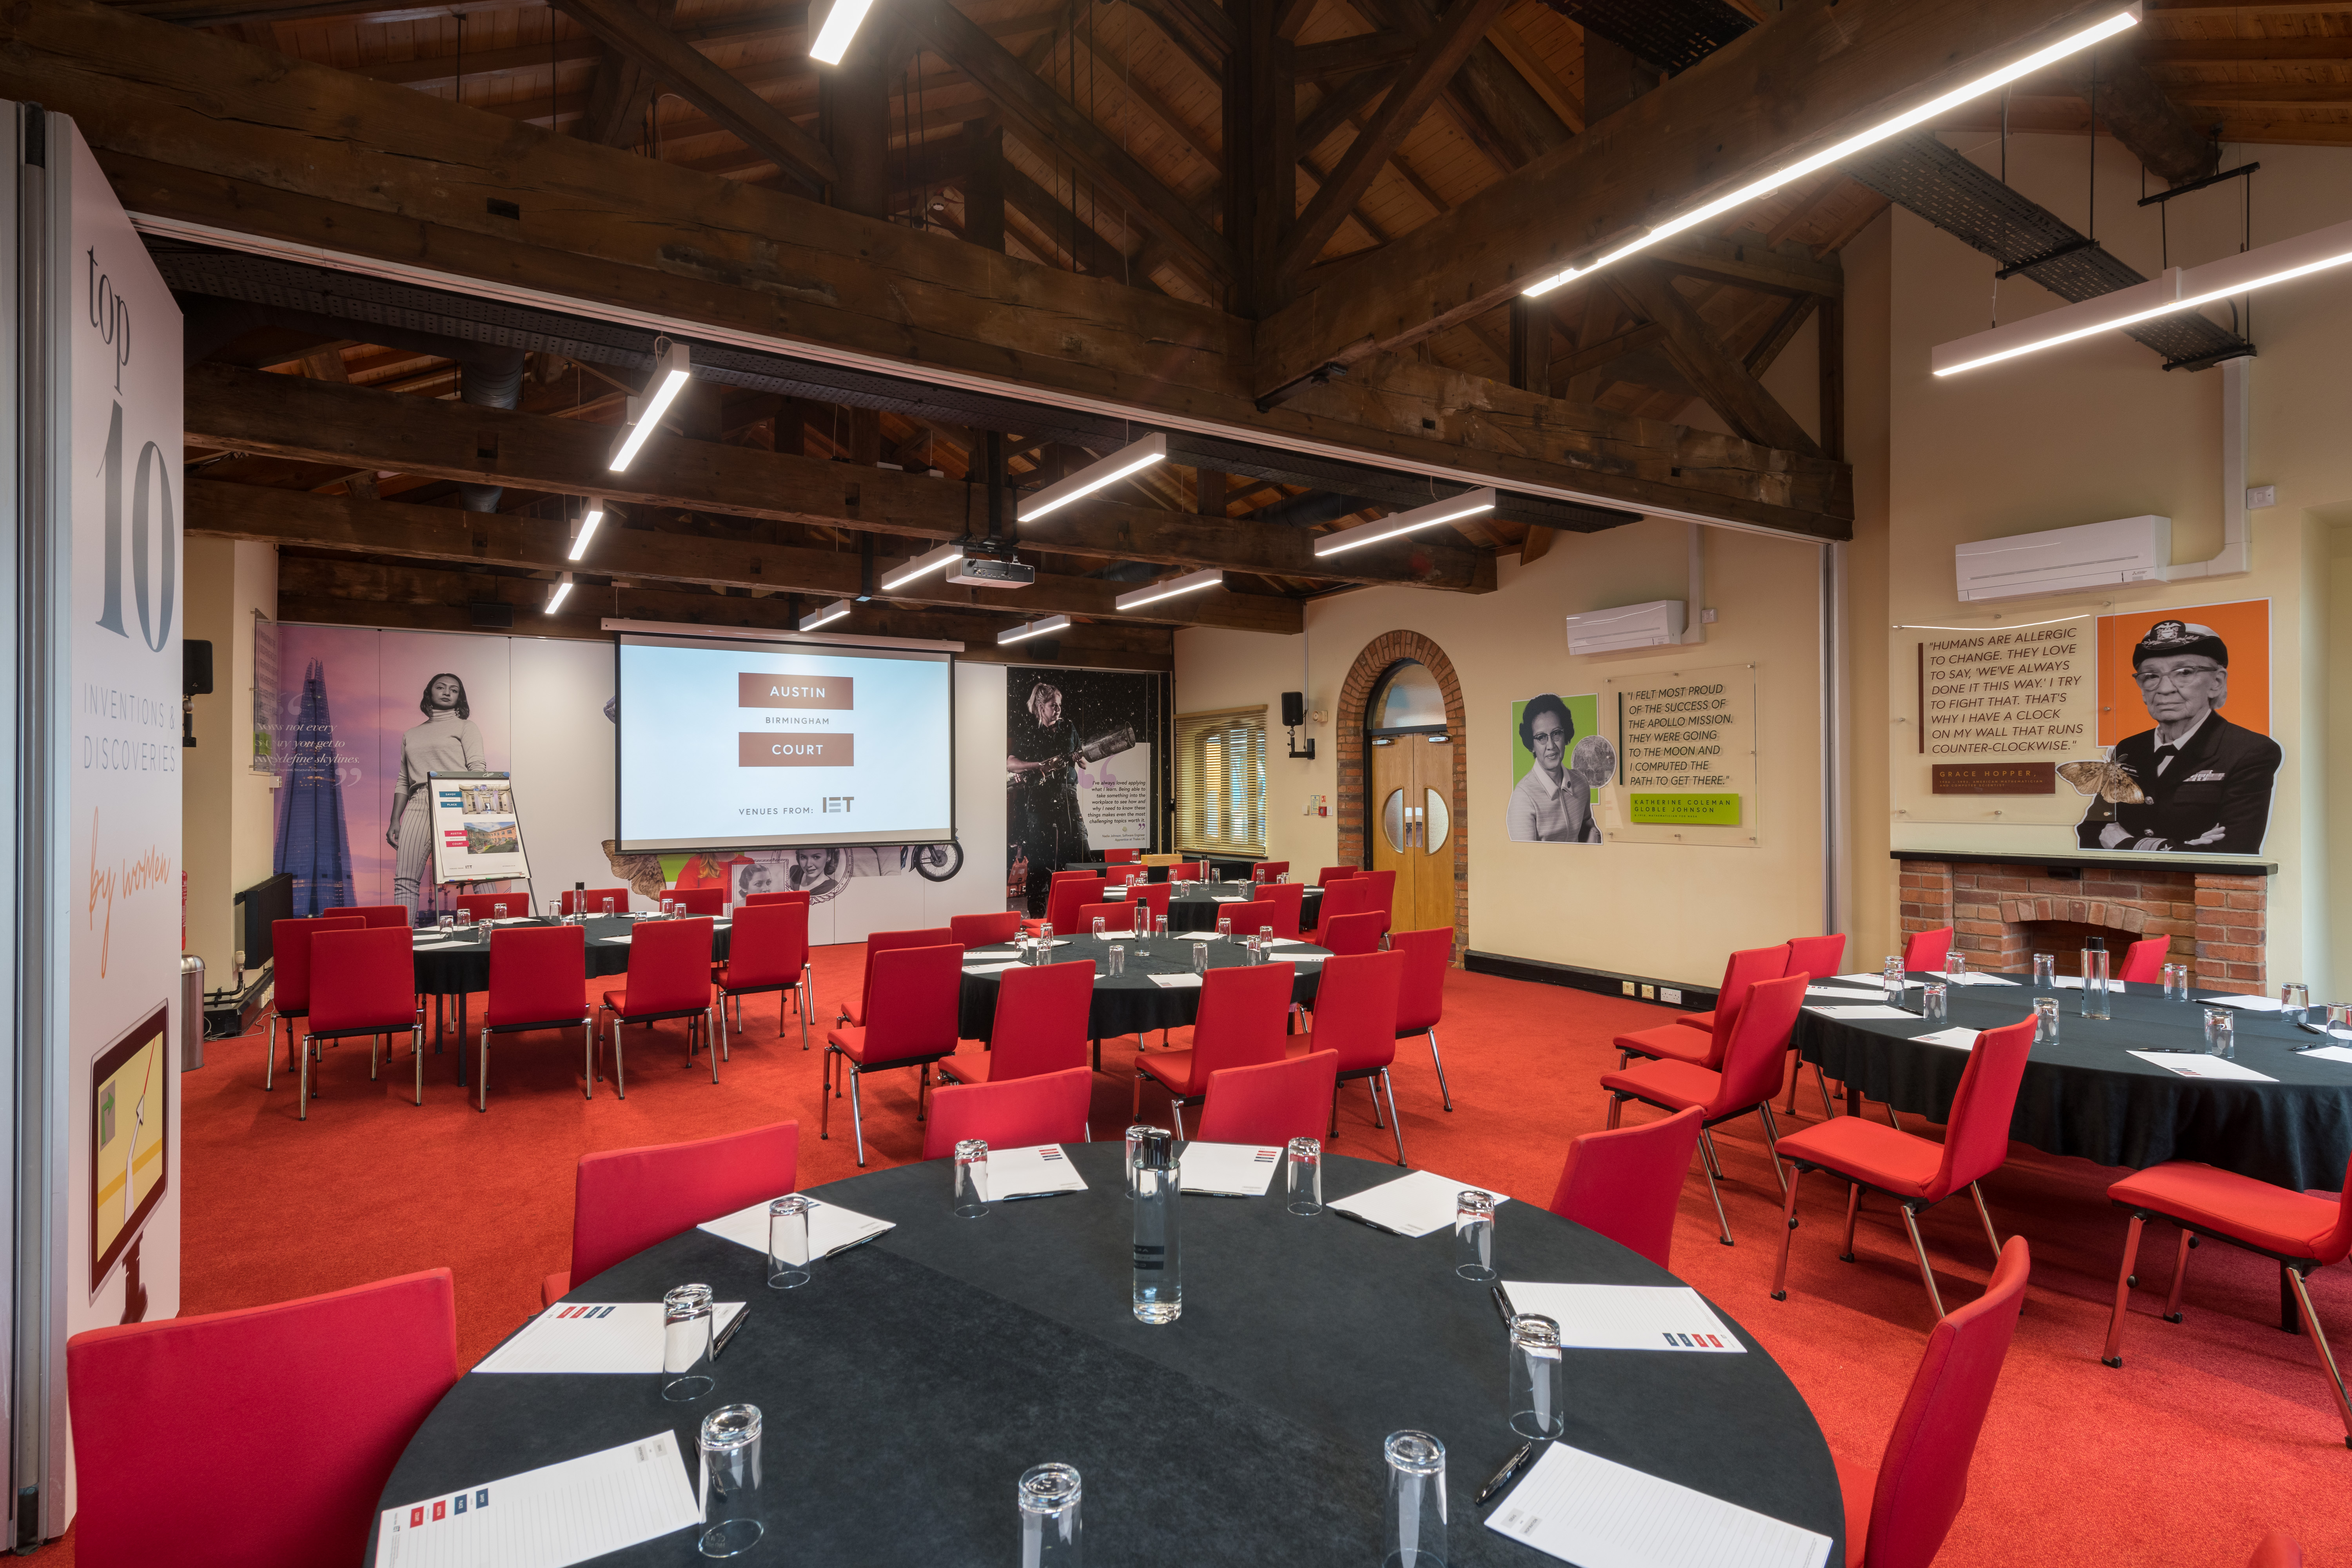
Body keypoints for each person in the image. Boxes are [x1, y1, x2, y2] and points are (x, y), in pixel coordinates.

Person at [2076, 619, 2279, 854]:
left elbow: (2233, 849)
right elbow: (2089, 833)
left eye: (2184, 673)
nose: (2164, 689)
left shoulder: (2249, 751)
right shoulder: (2131, 748)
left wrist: (2127, 844)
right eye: (2151, 676)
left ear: (2217, 682)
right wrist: (2180, 848)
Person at [388, 673, 487, 921]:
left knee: (482, 874)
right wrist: (395, 821)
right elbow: (403, 780)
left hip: (458, 798)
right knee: (405, 879)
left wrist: (476, 812)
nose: (446, 692)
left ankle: (496, 936)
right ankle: (404, 943)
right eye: (440, 687)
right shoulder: (411, 734)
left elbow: (478, 768)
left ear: (459, 697)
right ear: (430, 693)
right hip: (419, 801)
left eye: (453, 690)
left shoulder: (467, 727)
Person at [1007, 680, 1090, 915]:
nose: (1058, 709)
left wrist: (1083, 755)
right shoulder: (1031, 734)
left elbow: (1083, 762)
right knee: (1041, 860)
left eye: (1059, 705)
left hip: (1067, 796)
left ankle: (1075, 912)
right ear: (1041, 707)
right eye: (1053, 705)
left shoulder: (1069, 728)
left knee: (1079, 851)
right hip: (1040, 801)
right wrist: (1038, 766)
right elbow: (1011, 764)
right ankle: (1037, 918)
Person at [1508, 694, 1599, 843]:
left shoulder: (1581, 783)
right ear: (1532, 745)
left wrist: (1593, 834)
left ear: (1566, 735)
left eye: (1556, 734)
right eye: (1542, 737)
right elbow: (1524, 861)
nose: (1551, 746)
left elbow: (1588, 826)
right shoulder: (1523, 798)